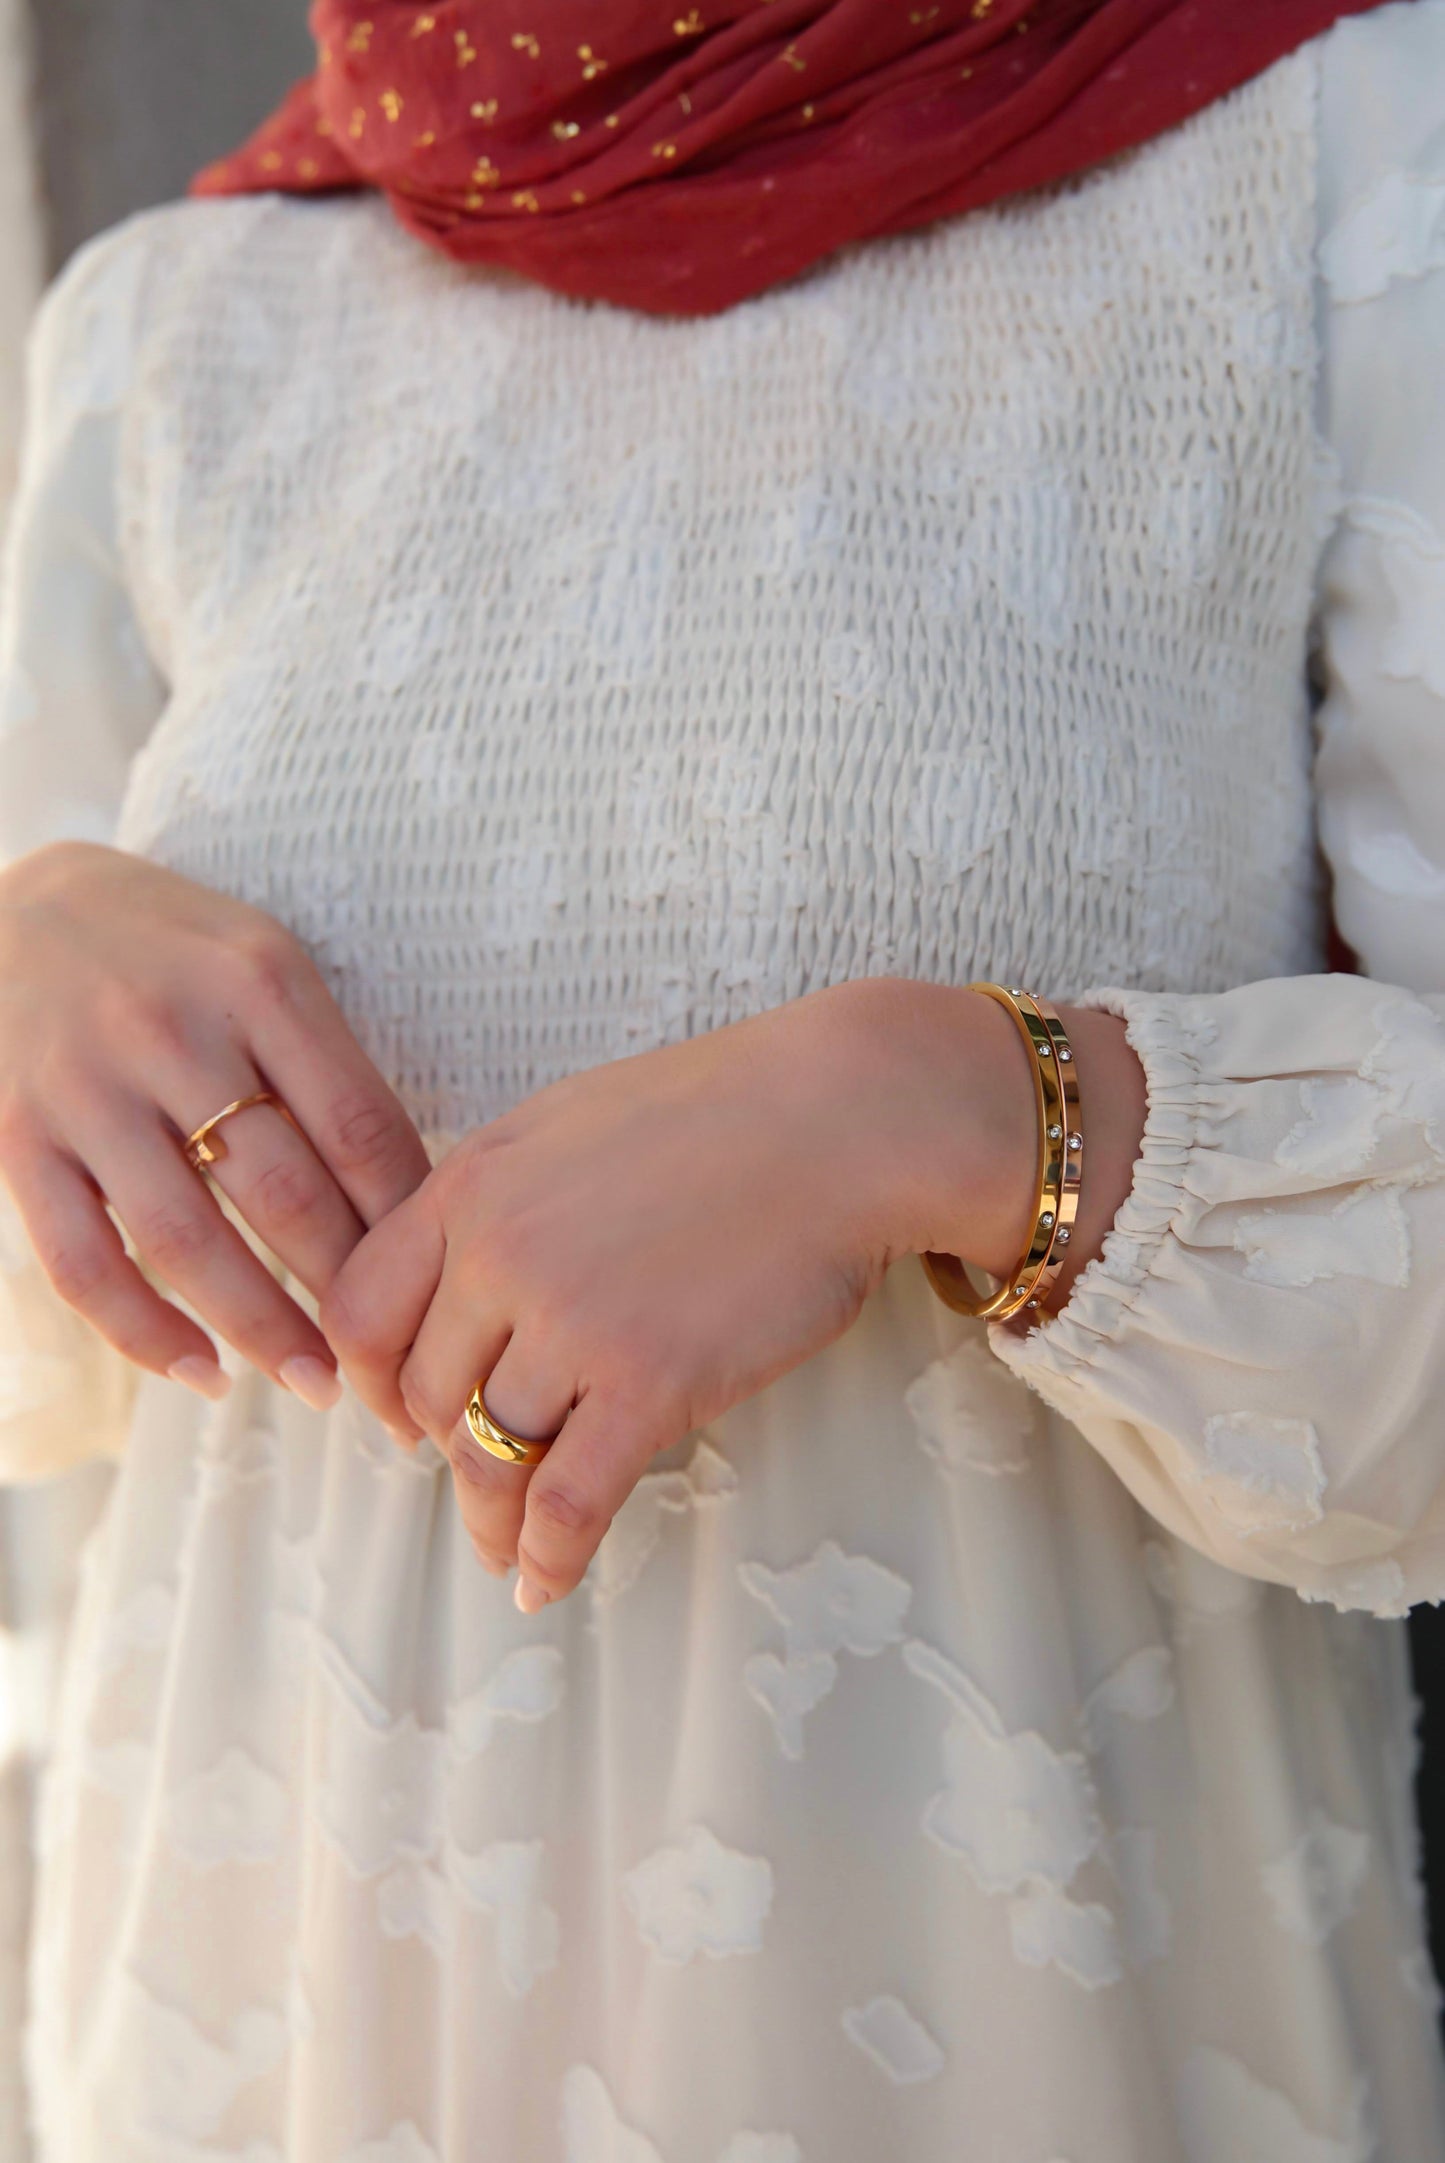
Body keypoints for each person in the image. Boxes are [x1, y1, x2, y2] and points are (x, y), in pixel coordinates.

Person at [0, 0, 1443, 2155]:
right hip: (262, 2037)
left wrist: (947, 1109)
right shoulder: (171, 323)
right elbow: (62, 1392)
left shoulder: (1339, 145)